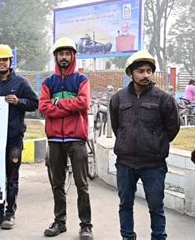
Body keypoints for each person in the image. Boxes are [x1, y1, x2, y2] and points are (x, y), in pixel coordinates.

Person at [110, 50, 180, 240]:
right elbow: (117, 127)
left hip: (154, 164)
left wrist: (155, 143)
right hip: (125, 162)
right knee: (125, 204)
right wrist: (126, 142)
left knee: (156, 206)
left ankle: (158, 237)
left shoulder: (164, 99)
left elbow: (173, 127)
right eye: (140, 71)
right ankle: (127, 236)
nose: (146, 75)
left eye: (149, 70)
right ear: (130, 73)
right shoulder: (118, 99)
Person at [39, 37, 93, 239]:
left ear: (73, 56)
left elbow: (84, 103)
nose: (64, 57)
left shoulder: (81, 80)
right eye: (60, 54)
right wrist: (67, 106)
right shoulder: (48, 82)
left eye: (67, 53)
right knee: (57, 184)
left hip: (77, 139)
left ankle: (86, 225)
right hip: (54, 139)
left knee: (82, 184)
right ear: (55, 57)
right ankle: (59, 222)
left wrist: (57, 104)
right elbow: (43, 107)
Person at [0, 44, 38, 230]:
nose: (1, 63)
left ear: (10, 61)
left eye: (4, 59)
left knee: (12, 178)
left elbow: (34, 103)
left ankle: (10, 214)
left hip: (13, 138)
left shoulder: (21, 83)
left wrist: (19, 101)